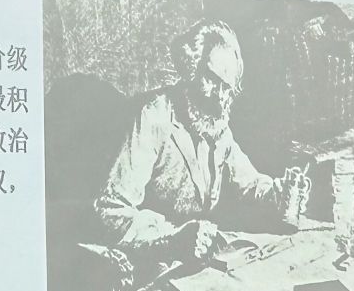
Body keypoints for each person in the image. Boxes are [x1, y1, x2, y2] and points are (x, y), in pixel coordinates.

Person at [94, 19, 310, 268]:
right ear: (190, 70)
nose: (219, 98)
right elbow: (109, 211)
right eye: (211, 80)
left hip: (194, 263)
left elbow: (248, 182)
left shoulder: (216, 125)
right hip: (146, 263)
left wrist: (277, 194)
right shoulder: (153, 118)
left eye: (227, 89)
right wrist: (171, 239)